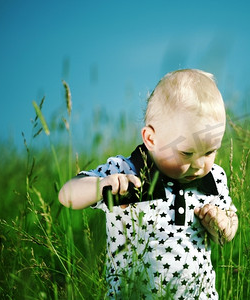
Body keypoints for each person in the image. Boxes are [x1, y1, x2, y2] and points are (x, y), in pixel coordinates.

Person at [58, 69, 239, 299]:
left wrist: (223, 226)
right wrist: (100, 186)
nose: (199, 164)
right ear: (151, 139)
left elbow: (229, 224)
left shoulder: (213, 178)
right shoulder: (127, 172)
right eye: (186, 153)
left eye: (210, 151)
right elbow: (67, 194)